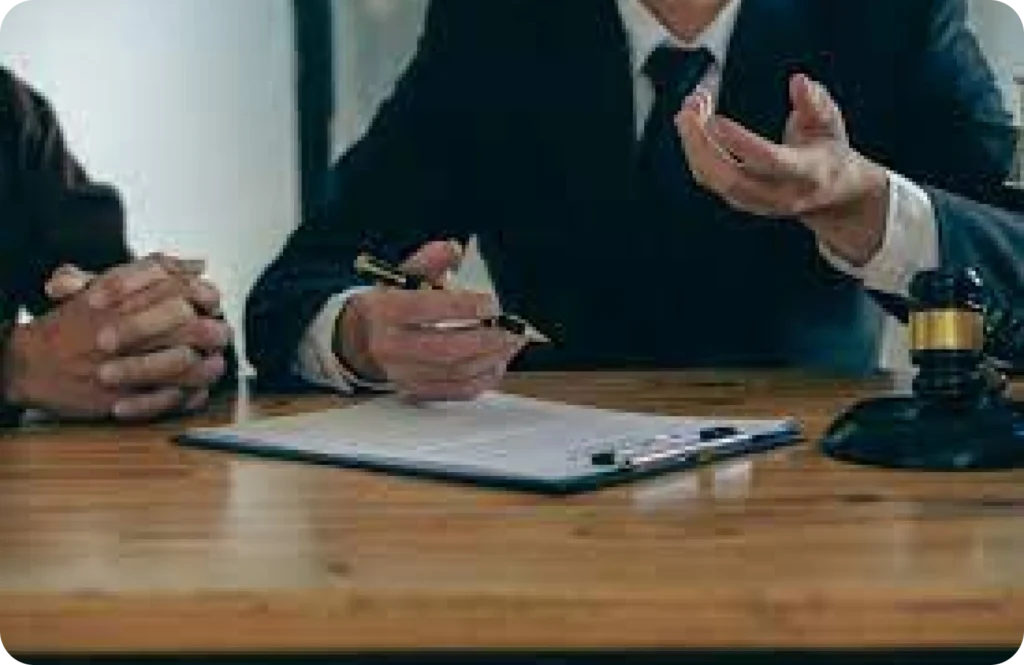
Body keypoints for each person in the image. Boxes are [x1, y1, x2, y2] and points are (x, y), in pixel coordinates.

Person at [246, 0, 1021, 401]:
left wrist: (868, 208)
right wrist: (364, 333)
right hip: (549, 512)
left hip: (818, 498)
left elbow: (1013, 263)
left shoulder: (894, 15)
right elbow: (292, 293)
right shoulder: (494, 24)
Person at [0, 68, 232, 424]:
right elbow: (34, 361)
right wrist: (15, 367)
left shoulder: (11, 110)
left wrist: (171, 325)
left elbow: (101, 287)